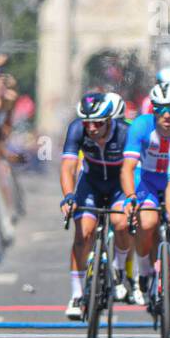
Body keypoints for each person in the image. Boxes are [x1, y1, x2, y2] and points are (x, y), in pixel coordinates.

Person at [60, 93, 133, 318]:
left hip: (118, 184)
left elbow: (133, 168)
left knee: (121, 223)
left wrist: (132, 197)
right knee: (84, 234)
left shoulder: (124, 132)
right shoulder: (76, 129)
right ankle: (76, 294)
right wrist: (69, 196)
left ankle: (120, 270)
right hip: (90, 183)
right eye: (87, 122)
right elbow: (68, 167)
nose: (91, 128)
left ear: (109, 120)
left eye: (98, 123)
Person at [120, 82, 170, 307]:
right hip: (147, 179)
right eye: (160, 109)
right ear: (153, 109)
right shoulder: (140, 126)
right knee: (147, 223)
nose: (166, 115)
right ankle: (144, 272)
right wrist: (130, 197)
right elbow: (128, 168)